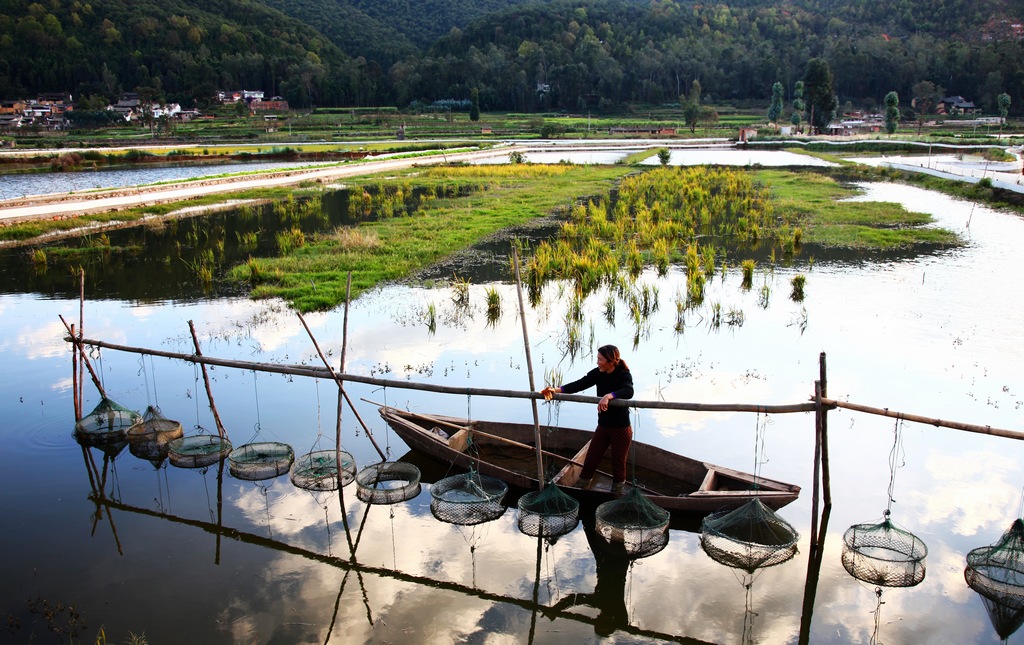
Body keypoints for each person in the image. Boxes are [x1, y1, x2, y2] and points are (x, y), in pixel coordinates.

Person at [540, 344, 633, 493]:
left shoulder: (623, 374)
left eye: (600, 359)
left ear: (610, 361)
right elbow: (579, 384)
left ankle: (616, 494)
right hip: (603, 426)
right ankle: (581, 490)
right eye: (597, 358)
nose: (597, 362)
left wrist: (609, 396)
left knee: (618, 464)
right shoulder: (598, 373)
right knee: (590, 461)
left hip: (621, 428)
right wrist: (556, 390)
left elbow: (628, 391)